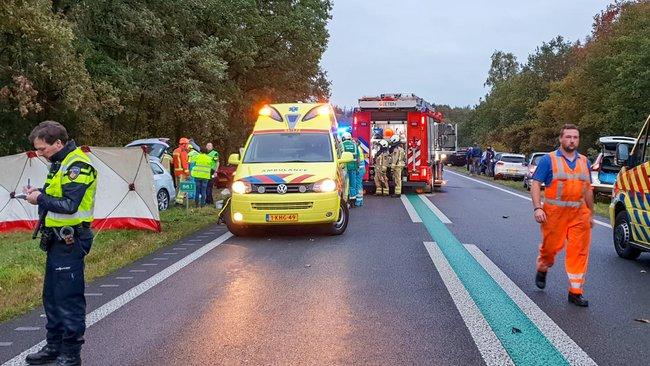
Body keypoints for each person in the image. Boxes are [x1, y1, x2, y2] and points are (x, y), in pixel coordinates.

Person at [24, 121, 97, 366]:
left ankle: (70, 354)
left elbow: (69, 205)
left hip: (71, 239)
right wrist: (39, 193)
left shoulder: (78, 165)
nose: (40, 155)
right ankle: (54, 346)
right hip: (56, 240)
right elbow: (56, 194)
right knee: (52, 296)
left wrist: (40, 198)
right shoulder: (59, 164)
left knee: (68, 298)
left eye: (43, 149)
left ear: (58, 143)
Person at [531, 124, 593, 307]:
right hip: (554, 214)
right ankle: (543, 266)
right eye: (568, 137)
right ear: (560, 139)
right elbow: (536, 184)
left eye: (575, 137)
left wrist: (591, 213)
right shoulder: (548, 160)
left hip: (579, 214)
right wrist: (537, 208)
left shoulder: (584, 161)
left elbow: (588, 189)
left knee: (579, 252)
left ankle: (575, 291)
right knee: (550, 249)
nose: (572, 140)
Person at [341, 132, 359, 205]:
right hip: (353, 167)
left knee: (345, 185)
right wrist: (357, 167)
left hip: (345, 168)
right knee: (352, 184)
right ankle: (353, 201)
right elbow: (358, 158)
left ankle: (345, 201)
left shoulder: (342, 145)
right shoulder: (354, 145)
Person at [172, 138, 190, 204]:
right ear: (184, 144)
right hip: (182, 172)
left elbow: (173, 162)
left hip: (176, 172)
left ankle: (176, 199)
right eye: (187, 144)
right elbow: (184, 163)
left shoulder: (175, 151)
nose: (188, 146)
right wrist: (187, 173)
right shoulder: (183, 152)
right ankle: (179, 201)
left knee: (178, 186)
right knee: (182, 187)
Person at [355, 140, 366, 207]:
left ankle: (358, 201)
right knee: (360, 184)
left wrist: (357, 168)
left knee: (358, 184)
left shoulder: (357, 149)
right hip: (362, 169)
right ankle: (361, 200)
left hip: (359, 169)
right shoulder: (360, 148)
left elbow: (358, 159)